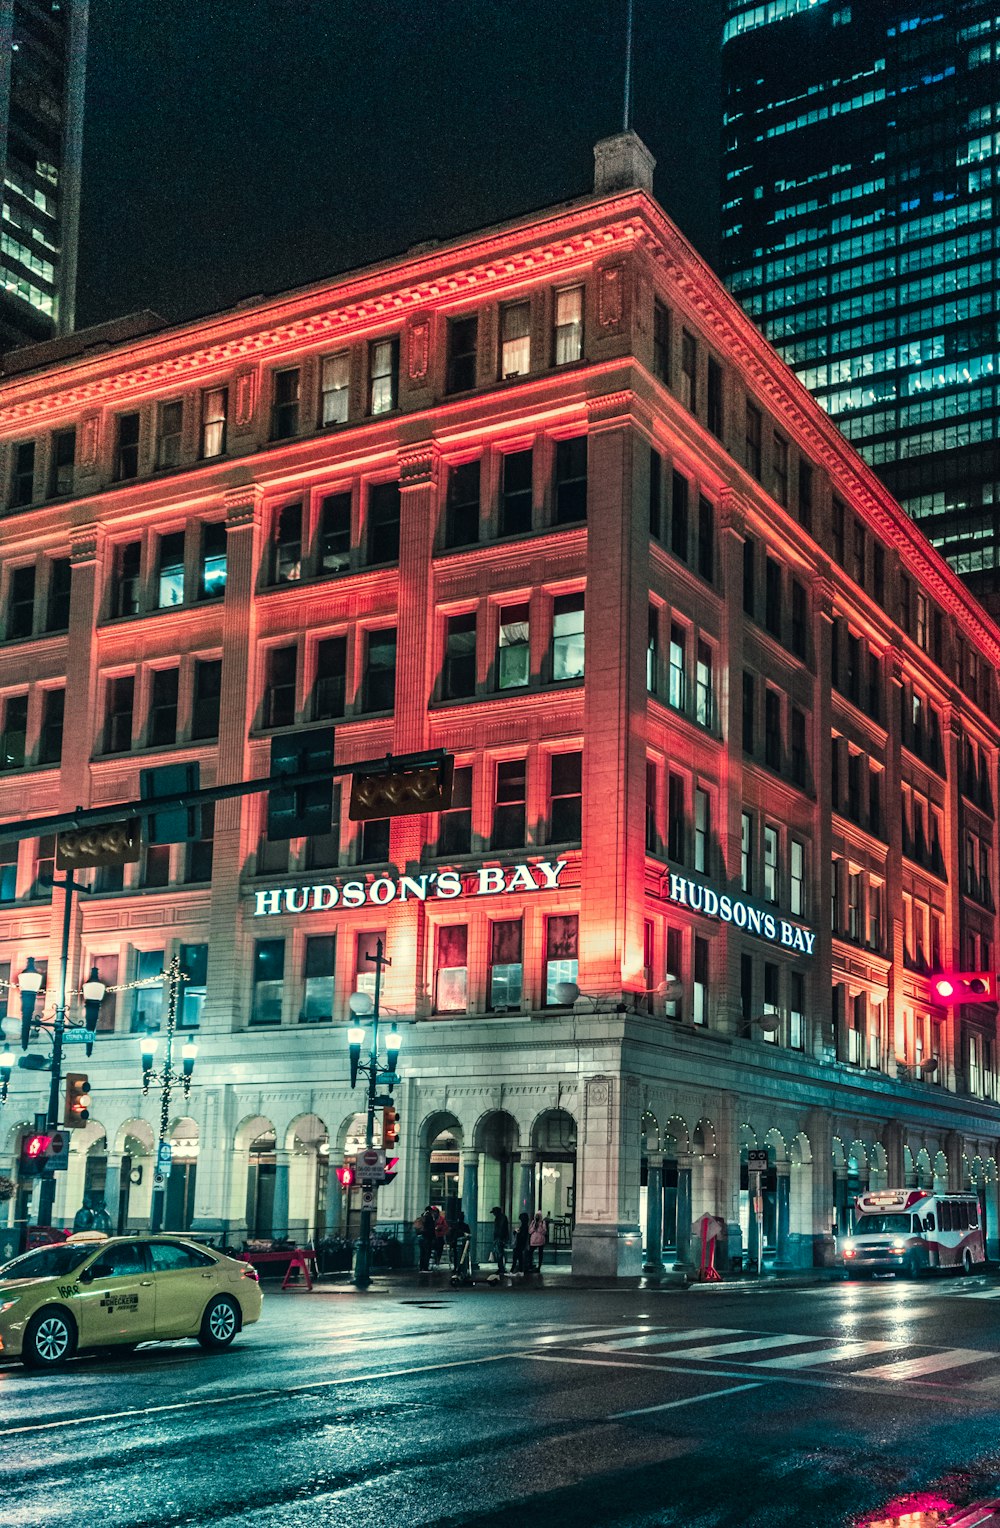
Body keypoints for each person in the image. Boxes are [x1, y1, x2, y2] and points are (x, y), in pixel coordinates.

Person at [490, 1205, 509, 1278]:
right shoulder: (501, 1218)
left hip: (499, 1238)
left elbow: (500, 1229)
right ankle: (501, 1267)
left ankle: (501, 1268)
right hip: (499, 1238)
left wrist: (500, 1238)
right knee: (499, 1254)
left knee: (500, 1254)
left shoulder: (501, 1218)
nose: (493, 1214)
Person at [418, 1205, 436, 1272]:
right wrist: (434, 1237)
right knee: (427, 1252)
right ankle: (425, 1268)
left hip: (421, 1236)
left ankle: (421, 1267)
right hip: (428, 1237)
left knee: (422, 1253)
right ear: (430, 1210)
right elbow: (431, 1228)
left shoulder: (422, 1216)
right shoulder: (429, 1217)